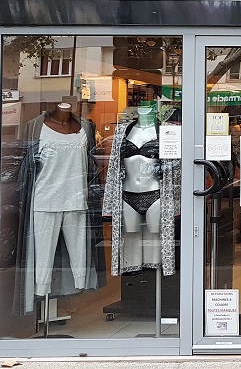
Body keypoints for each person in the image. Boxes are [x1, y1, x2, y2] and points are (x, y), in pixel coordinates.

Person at [15, 102, 106, 313]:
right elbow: (27, 163)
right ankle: (41, 289)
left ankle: (80, 282)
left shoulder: (85, 127)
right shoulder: (36, 126)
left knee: (80, 253)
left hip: (76, 199)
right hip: (44, 199)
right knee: (42, 256)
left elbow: (92, 163)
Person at [103, 101, 180, 275]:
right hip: (127, 194)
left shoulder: (166, 130)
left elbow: (175, 169)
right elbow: (114, 166)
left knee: (156, 239)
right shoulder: (122, 131)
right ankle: (133, 270)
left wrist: (176, 202)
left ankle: (158, 273)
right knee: (130, 238)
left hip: (156, 194)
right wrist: (109, 204)